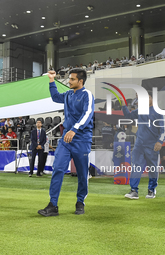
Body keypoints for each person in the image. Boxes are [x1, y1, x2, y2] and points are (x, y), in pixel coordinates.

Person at [38, 68, 94, 217]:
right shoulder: (69, 94)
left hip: (81, 139)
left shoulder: (87, 95)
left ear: (80, 81)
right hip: (66, 139)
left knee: (82, 174)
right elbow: (55, 97)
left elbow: (87, 114)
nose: (69, 81)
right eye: (69, 78)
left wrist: (74, 129)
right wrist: (51, 80)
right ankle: (53, 205)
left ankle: (80, 201)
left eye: (72, 79)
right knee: (57, 169)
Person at [122, 93, 165, 200]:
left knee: (153, 169)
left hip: (153, 145)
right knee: (136, 166)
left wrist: (160, 141)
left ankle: (151, 190)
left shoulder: (159, 112)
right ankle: (134, 191)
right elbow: (128, 116)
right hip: (139, 144)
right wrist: (123, 105)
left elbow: (163, 130)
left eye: (148, 97)